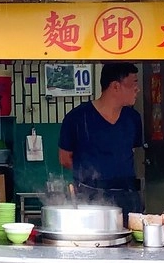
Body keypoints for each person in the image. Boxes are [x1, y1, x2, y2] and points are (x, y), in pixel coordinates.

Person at [58, 62, 145, 217]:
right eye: (133, 84)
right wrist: (91, 177)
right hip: (90, 198)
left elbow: (132, 152)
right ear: (115, 86)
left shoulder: (133, 118)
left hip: (128, 198)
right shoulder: (77, 118)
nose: (137, 89)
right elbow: (65, 159)